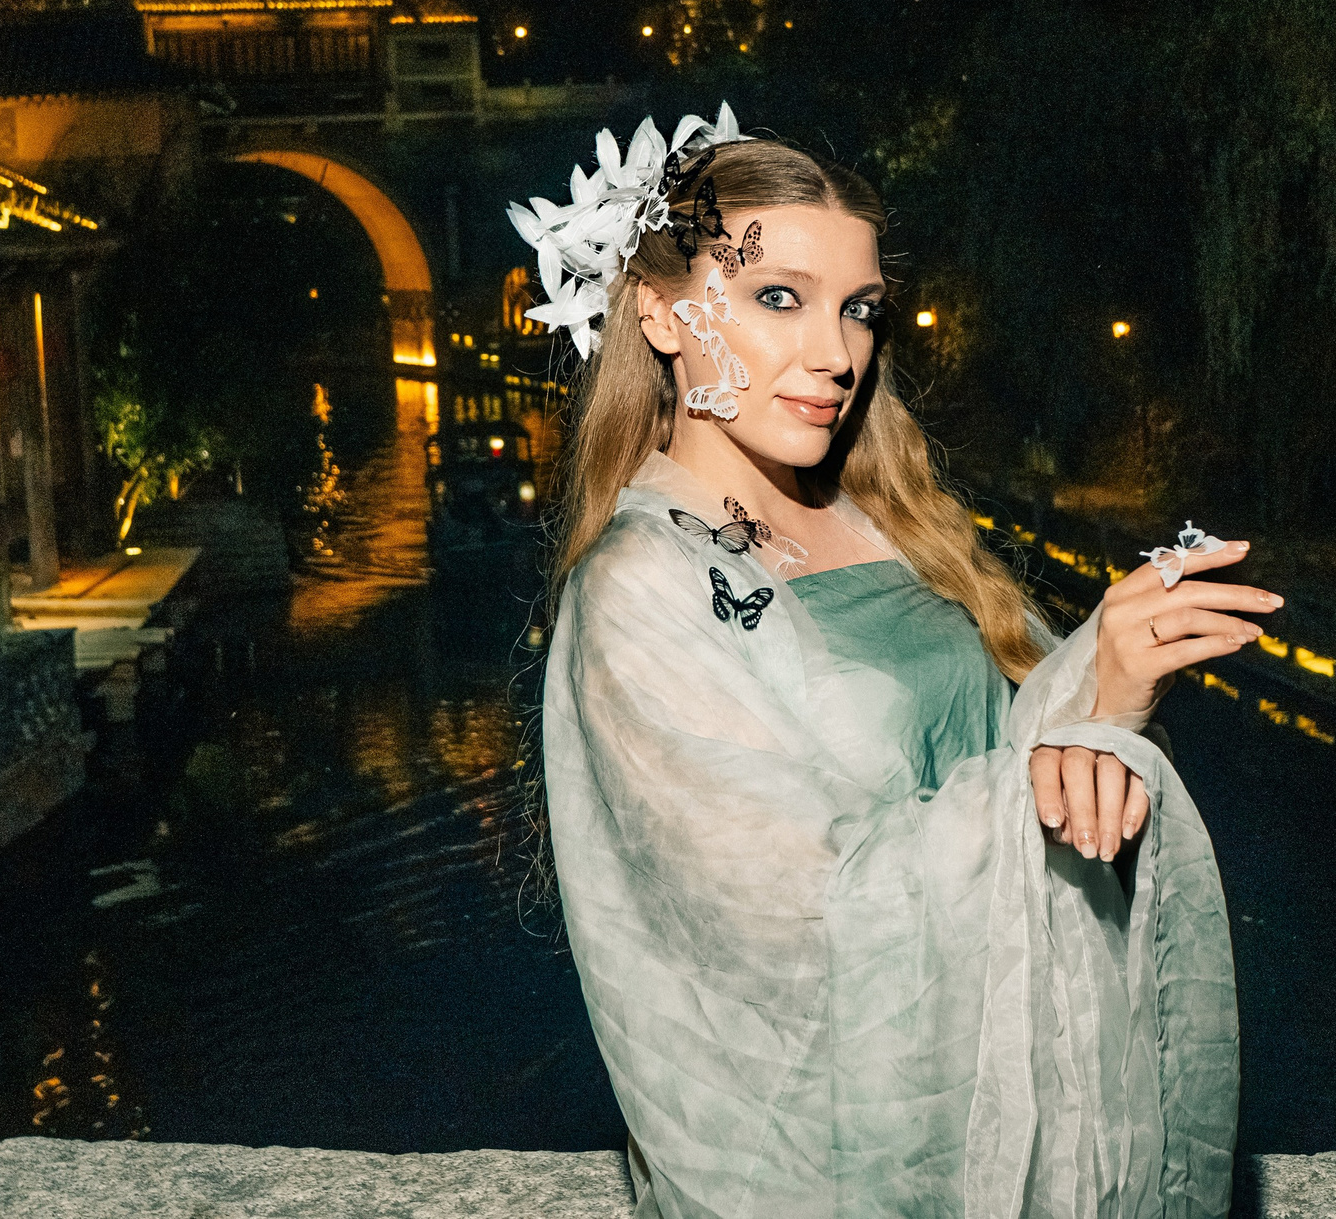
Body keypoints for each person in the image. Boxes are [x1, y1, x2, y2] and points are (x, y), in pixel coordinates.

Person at [521, 107, 1274, 1218]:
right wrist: (1085, 715)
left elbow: (1016, 760)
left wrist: (1104, 684)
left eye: (858, 309)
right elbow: (794, 920)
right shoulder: (640, 589)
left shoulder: (887, 523)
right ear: (663, 315)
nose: (835, 354)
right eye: (777, 297)